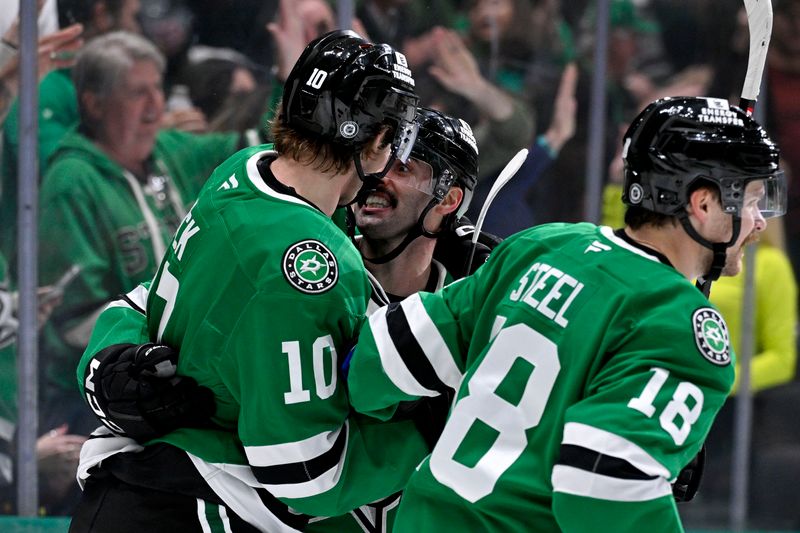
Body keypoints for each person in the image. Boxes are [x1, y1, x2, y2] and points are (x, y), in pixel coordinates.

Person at [345, 96, 786, 532]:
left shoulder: (545, 245)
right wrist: (639, 480)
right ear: (703, 205)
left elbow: (373, 365)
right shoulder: (680, 324)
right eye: (749, 201)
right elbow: (602, 489)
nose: (760, 221)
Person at [69, 29, 422, 532]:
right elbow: (303, 471)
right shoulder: (310, 266)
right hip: (193, 510)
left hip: (134, 490)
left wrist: (105, 359)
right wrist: (429, 428)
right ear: (377, 141)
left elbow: (157, 299)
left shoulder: (243, 171)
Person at [38, 31, 241, 437]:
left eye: (157, 90)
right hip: (97, 392)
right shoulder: (72, 181)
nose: (156, 106)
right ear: (95, 104)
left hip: (171, 368)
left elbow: (260, 148)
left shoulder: (166, 152)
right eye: (137, 93)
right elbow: (71, 318)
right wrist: (163, 341)